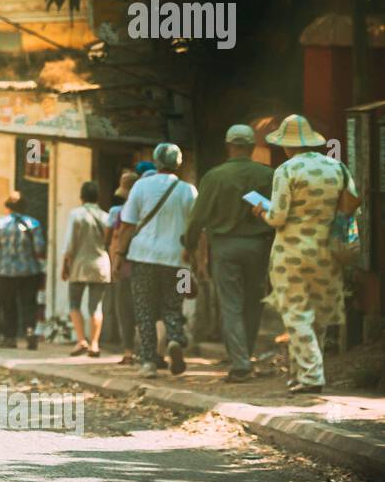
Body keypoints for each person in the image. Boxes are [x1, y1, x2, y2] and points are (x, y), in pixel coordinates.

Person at [255, 114, 359, 394]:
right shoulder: (338, 168)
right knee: (319, 316)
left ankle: (311, 377)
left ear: (287, 146)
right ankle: (302, 373)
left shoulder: (287, 170)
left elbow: (278, 217)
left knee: (297, 314)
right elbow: (352, 206)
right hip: (328, 251)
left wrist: (262, 210)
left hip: (291, 253)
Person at [185, 124, 275, 382]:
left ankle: (241, 363)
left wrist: (189, 244)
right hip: (259, 246)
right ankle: (244, 356)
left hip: (225, 246)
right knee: (254, 302)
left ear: (228, 146)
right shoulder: (267, 175)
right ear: (251, 147)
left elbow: (197, 217)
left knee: (231, 305)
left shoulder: (214, 176)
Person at [116, 142, 197, 378]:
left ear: (157, 162)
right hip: (178, 260)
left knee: (144, 309)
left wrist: (119, 256)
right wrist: (197, 259)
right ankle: (174, 340)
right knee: (174, 305)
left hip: (143, 257)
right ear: (178, 165)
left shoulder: (141, 186)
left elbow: (127, 225)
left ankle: (149, 362)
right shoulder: (188, 190)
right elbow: (195, 229)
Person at [0, 192, 46, 350]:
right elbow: (40, 248)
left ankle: (9, 337)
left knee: (8, 304)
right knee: (29, 303)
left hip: (5, 272)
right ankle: (30, 332)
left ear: (8, 207)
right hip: (29, 271)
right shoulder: (34, 224)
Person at [63, 181, 110, 356]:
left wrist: (65, 265)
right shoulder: (106, 217)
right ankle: (95, 344)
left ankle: (81, 340)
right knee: (96, 306)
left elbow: (70, 244)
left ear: (81, 196)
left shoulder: (76, 215)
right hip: (100, 264)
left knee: (74, 303)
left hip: (79, 264)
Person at [106, 171, 139, 363]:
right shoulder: (147, 208)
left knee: (125, 308)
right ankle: (154, 351)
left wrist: (114, 263)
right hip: (146, 263)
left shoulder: (121, 212)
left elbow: (116, 239)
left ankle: (128, 351)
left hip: (126, 265)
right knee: (147, 308)